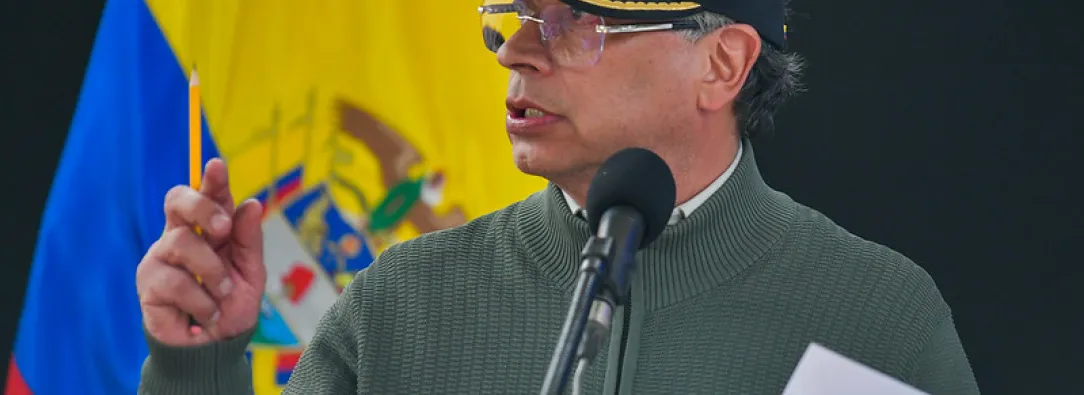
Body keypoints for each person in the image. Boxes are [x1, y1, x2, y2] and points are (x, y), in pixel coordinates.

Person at [136, 0, 981, 393]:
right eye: (514, 11)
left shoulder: (876, 316)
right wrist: (197, 364)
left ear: (722, 63)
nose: (517, 49)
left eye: (577, 20)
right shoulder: (402, 303)